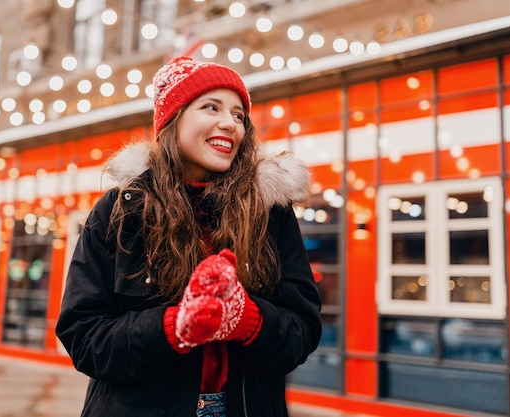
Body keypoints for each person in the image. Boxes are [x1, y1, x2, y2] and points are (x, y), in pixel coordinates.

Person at [55, 56, 322, 417]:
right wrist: (172, 327)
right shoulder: (120, 211)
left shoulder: (270, 213)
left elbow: (301, 331)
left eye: (239, 115)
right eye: (211, 107)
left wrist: (249, 320)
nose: (230, 123)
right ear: (172, 119)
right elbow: (84, 337)